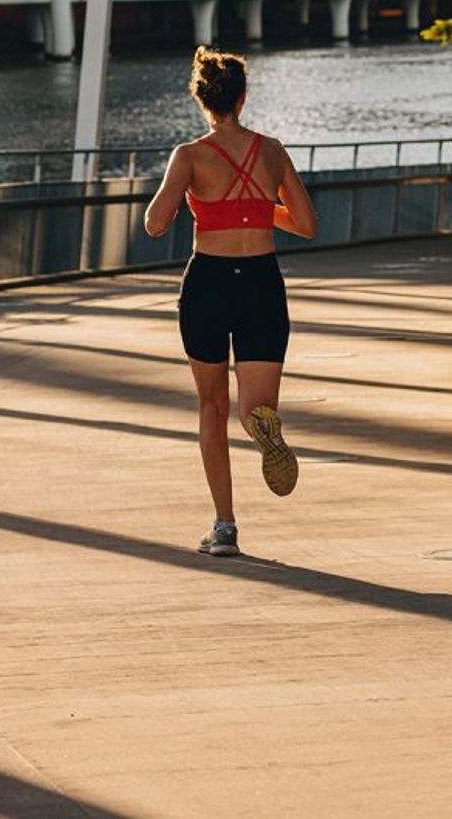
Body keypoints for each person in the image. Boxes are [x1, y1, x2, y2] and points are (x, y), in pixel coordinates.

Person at [144, 47, 317, 557]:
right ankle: (263, 427)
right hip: (261, 281)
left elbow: (155, 223)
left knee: (211, 407)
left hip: (209, 284)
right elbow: (307, 225)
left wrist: (192, 201)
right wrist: (261, 206)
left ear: (201, 100)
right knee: (254, 406)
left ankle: (224, 526)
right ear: (243, 98)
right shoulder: (272, 150)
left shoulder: (189, 155)